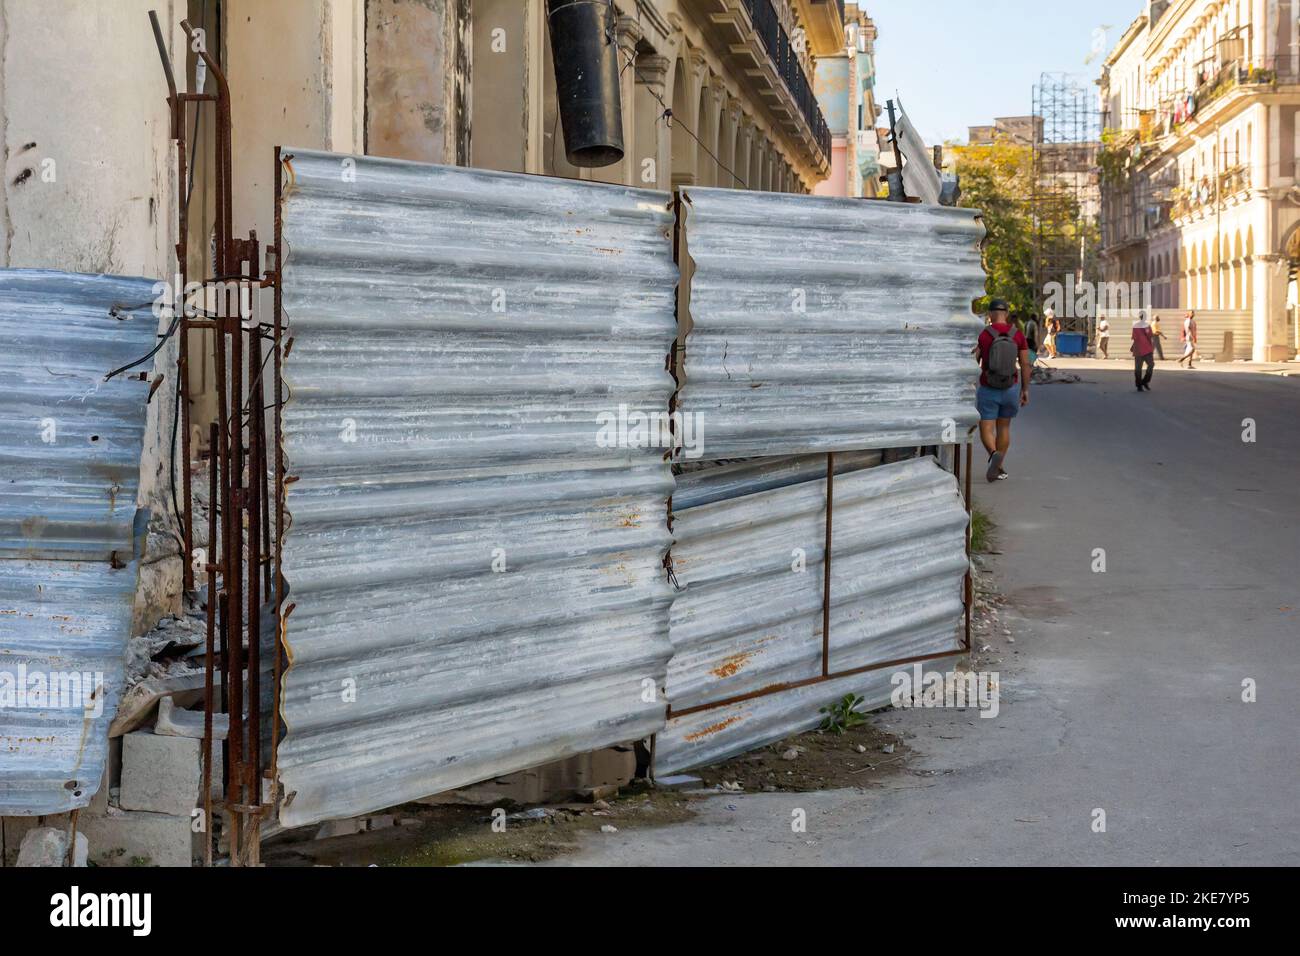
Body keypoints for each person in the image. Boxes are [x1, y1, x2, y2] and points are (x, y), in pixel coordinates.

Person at [975, 298, 1031, 482]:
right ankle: (998, 466)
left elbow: (975, 361)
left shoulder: (984, 335)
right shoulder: (1018, 335)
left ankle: (993, 455)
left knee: (986, 425)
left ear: (990, 314)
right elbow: (1025, 364)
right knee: (1004, 426)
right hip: (1010, 387)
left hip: (988, 386)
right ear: (1006, 314)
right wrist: (1025, 390)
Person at [1132, 311, 1155, 391]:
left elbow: (1134, 338)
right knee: (1150, 365)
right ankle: (1144, 382)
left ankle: (1140, 384)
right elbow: (1150, 336)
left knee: (1138, 368)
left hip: (1139, 349)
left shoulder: (1136, 326)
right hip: (1146, 349)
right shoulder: (1146, 326)